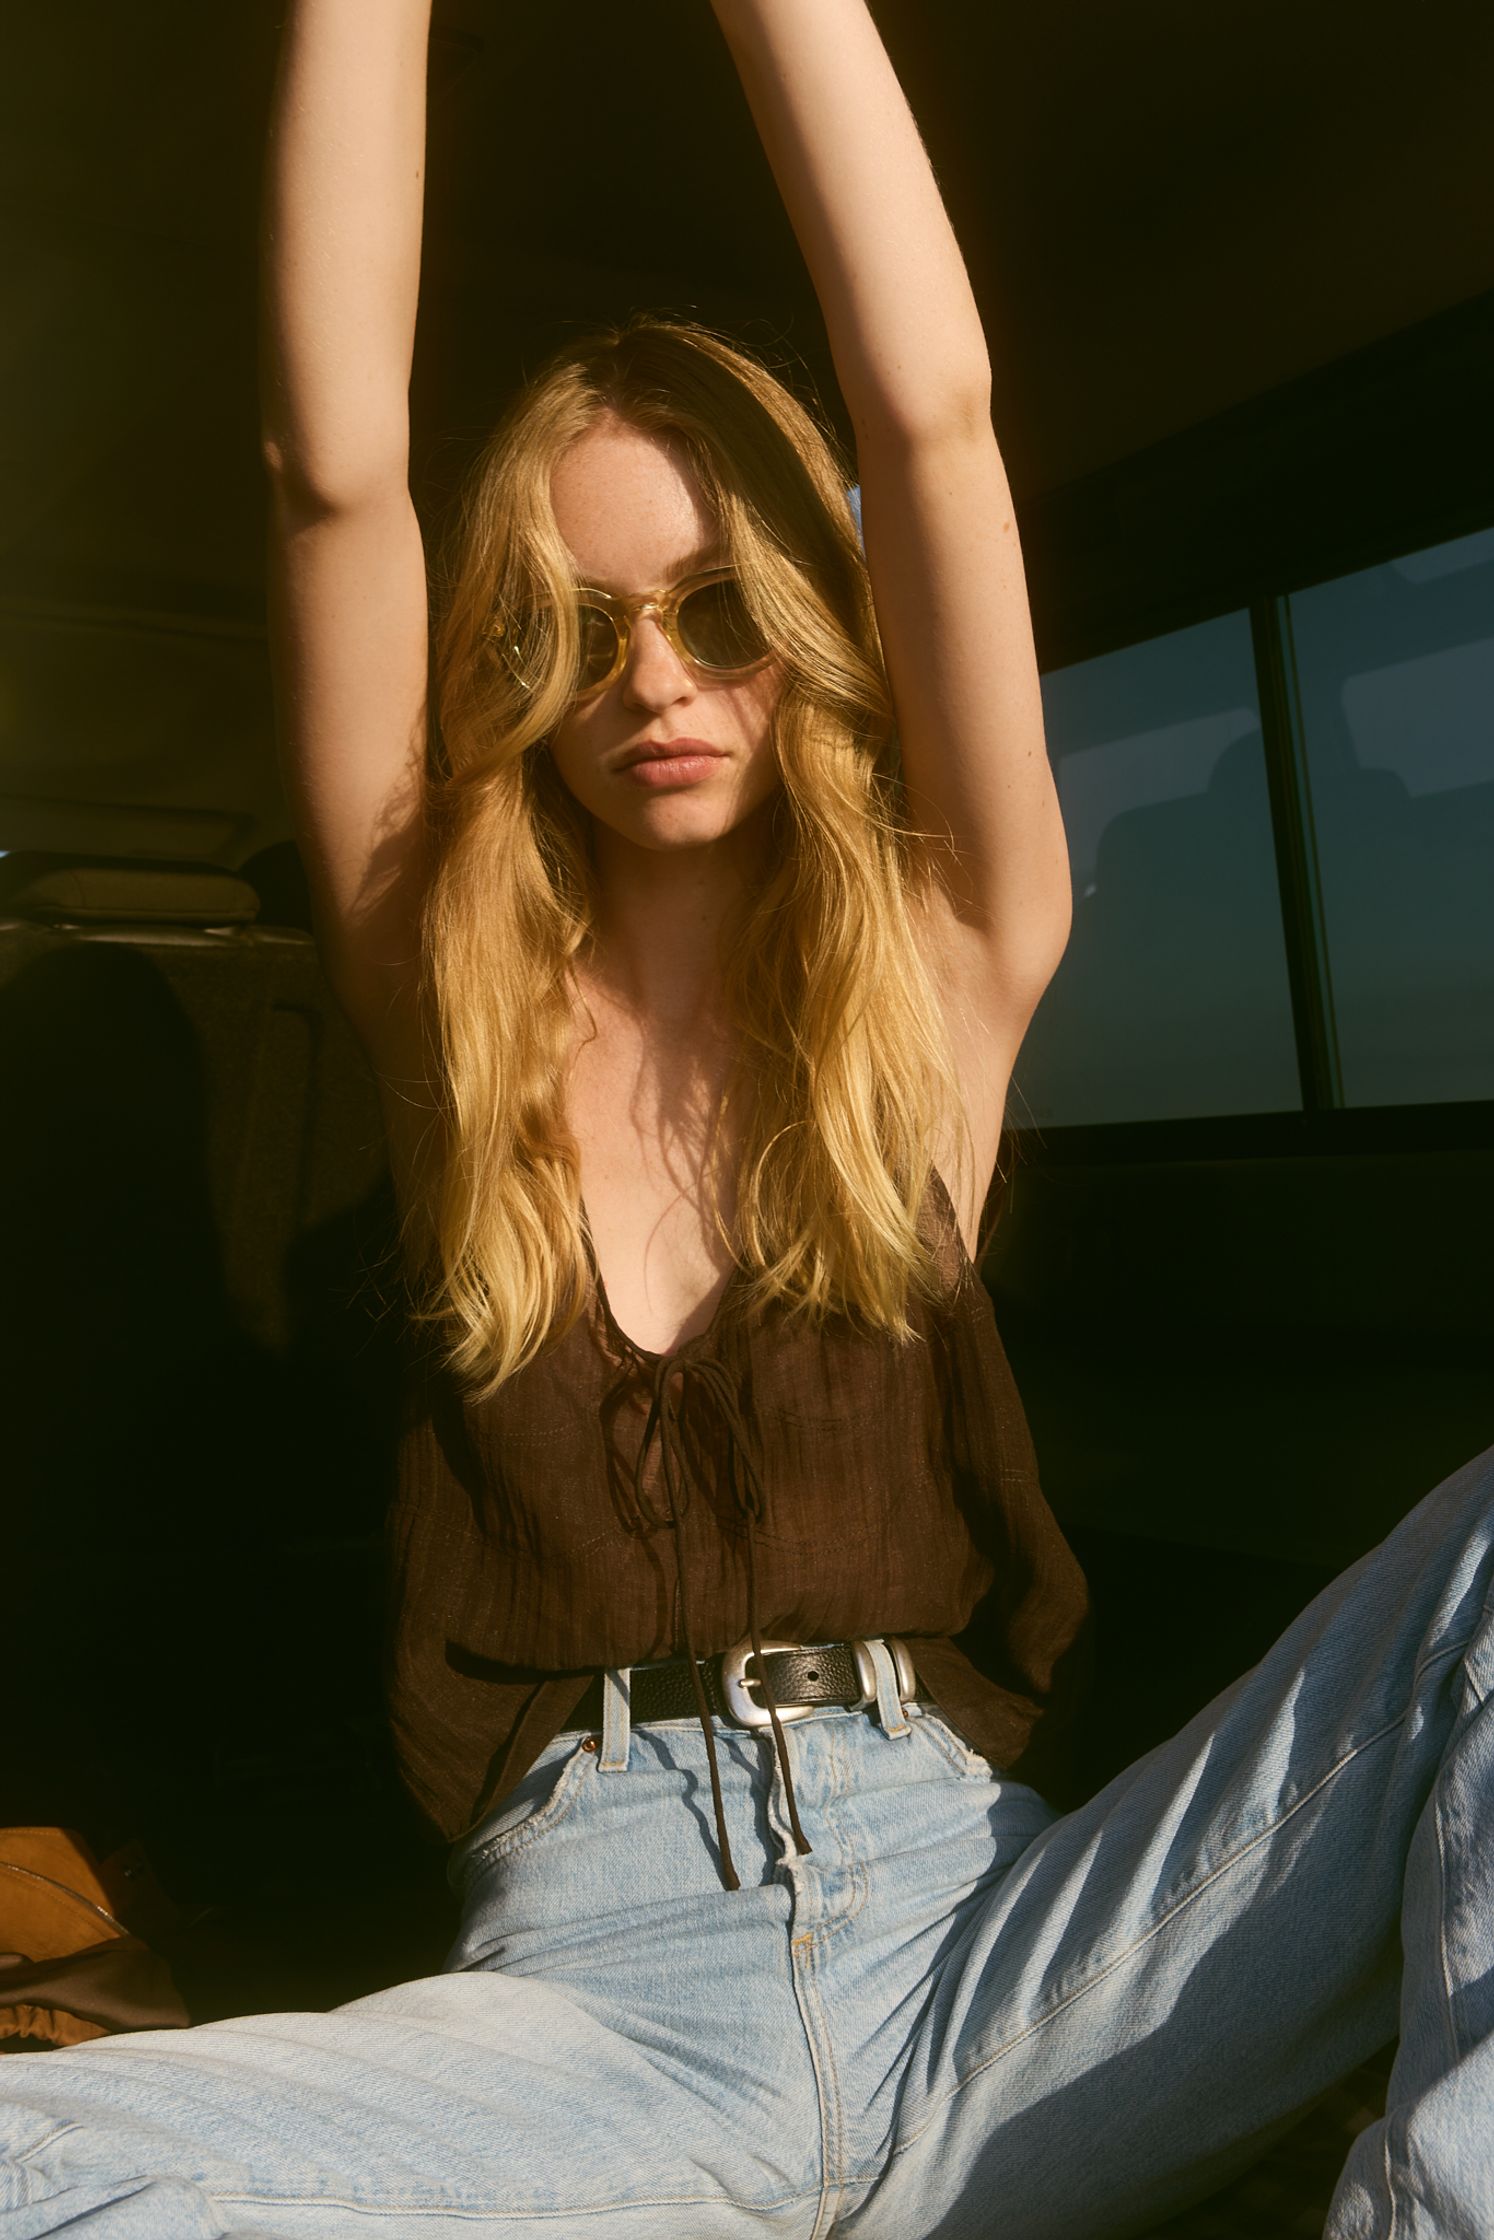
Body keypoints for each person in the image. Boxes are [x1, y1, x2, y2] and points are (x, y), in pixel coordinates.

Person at [3, 3, 1492, 2235]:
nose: (659, 679)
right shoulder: (449, 1014)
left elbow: (935, 416)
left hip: (1000, 1979)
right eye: (580, 623)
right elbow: (330, 468)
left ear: (803, 614)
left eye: (719, 609)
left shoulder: (947, 964)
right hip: (591, 2028)